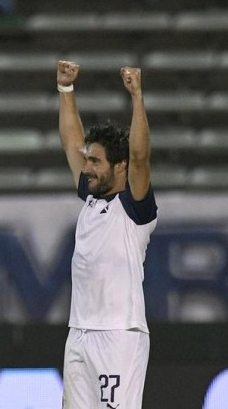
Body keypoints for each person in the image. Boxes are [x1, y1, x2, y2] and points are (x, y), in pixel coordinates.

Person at [56, 60, 158, 408]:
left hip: (120, 335)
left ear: (120, 167)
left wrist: (137, 97)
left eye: (95, 162)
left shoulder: (134, 210)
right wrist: (66, 90)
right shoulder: (89, 197)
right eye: (88, 161)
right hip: (79, 333)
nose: (87, 168)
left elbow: (141, 156)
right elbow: (72, 142)